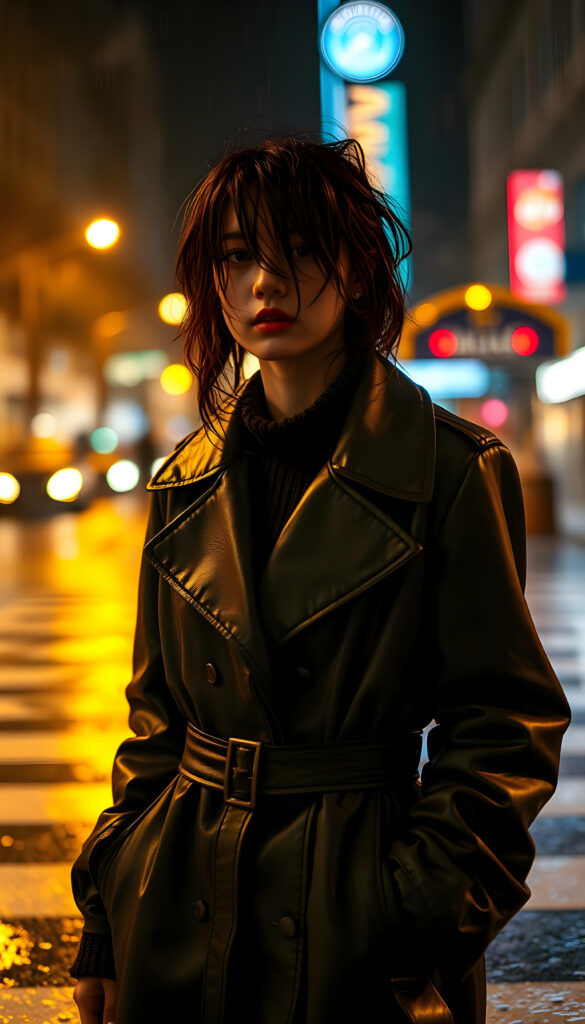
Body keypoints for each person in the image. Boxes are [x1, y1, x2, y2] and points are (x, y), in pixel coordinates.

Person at [69, 135, 570, 1024]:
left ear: (356, 269)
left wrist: (416, 913)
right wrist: (108, 916)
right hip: (176, 902)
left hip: (356, 908)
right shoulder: (182, 480)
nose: (267, 282)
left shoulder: (450, 468)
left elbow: (501, 726)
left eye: (299, 250)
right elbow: (154, 727)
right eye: (236, 257)